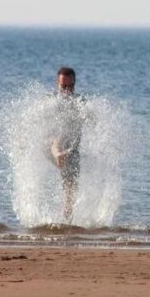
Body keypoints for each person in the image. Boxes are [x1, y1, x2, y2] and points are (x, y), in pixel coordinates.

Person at [50, 67, 85, 221]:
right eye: (63, 87)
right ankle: (57, 153)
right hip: (49, 145)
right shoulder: (50, 102)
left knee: (71, 190)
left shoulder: (81, 103)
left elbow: (95, 121)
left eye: (70, 87)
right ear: (57, 85)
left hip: (71, 151)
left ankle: (67, 222)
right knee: (58, 135)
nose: (67, 91)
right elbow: (30, 120)